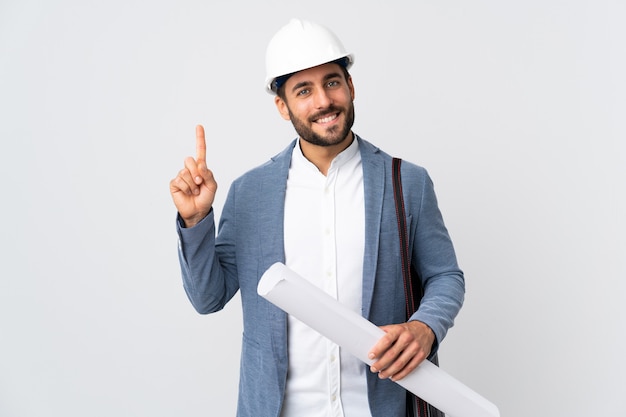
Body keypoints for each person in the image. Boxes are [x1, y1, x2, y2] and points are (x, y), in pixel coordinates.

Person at [169, 18, 465, 417]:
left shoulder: (406, 182)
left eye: (332, 82)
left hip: (384, 407)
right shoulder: (249, 193)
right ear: (282, 106)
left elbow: (445, 276)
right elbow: (208, 297)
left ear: (351, 86)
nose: (323, 101)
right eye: (303, 91)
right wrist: (196, 220)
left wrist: (425, 328)